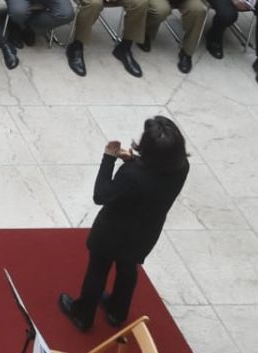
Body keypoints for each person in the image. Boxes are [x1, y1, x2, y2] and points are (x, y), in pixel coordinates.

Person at [59, 116, 189, 332]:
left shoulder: (133, 175)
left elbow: (101, 195)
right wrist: (135, 161)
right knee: (127, 267)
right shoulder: (182, 167)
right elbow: (154, 178)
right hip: (145, 233)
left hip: (112, 233)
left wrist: (108, 158)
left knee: (98, 270)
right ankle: (117, 311)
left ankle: (82, 314)